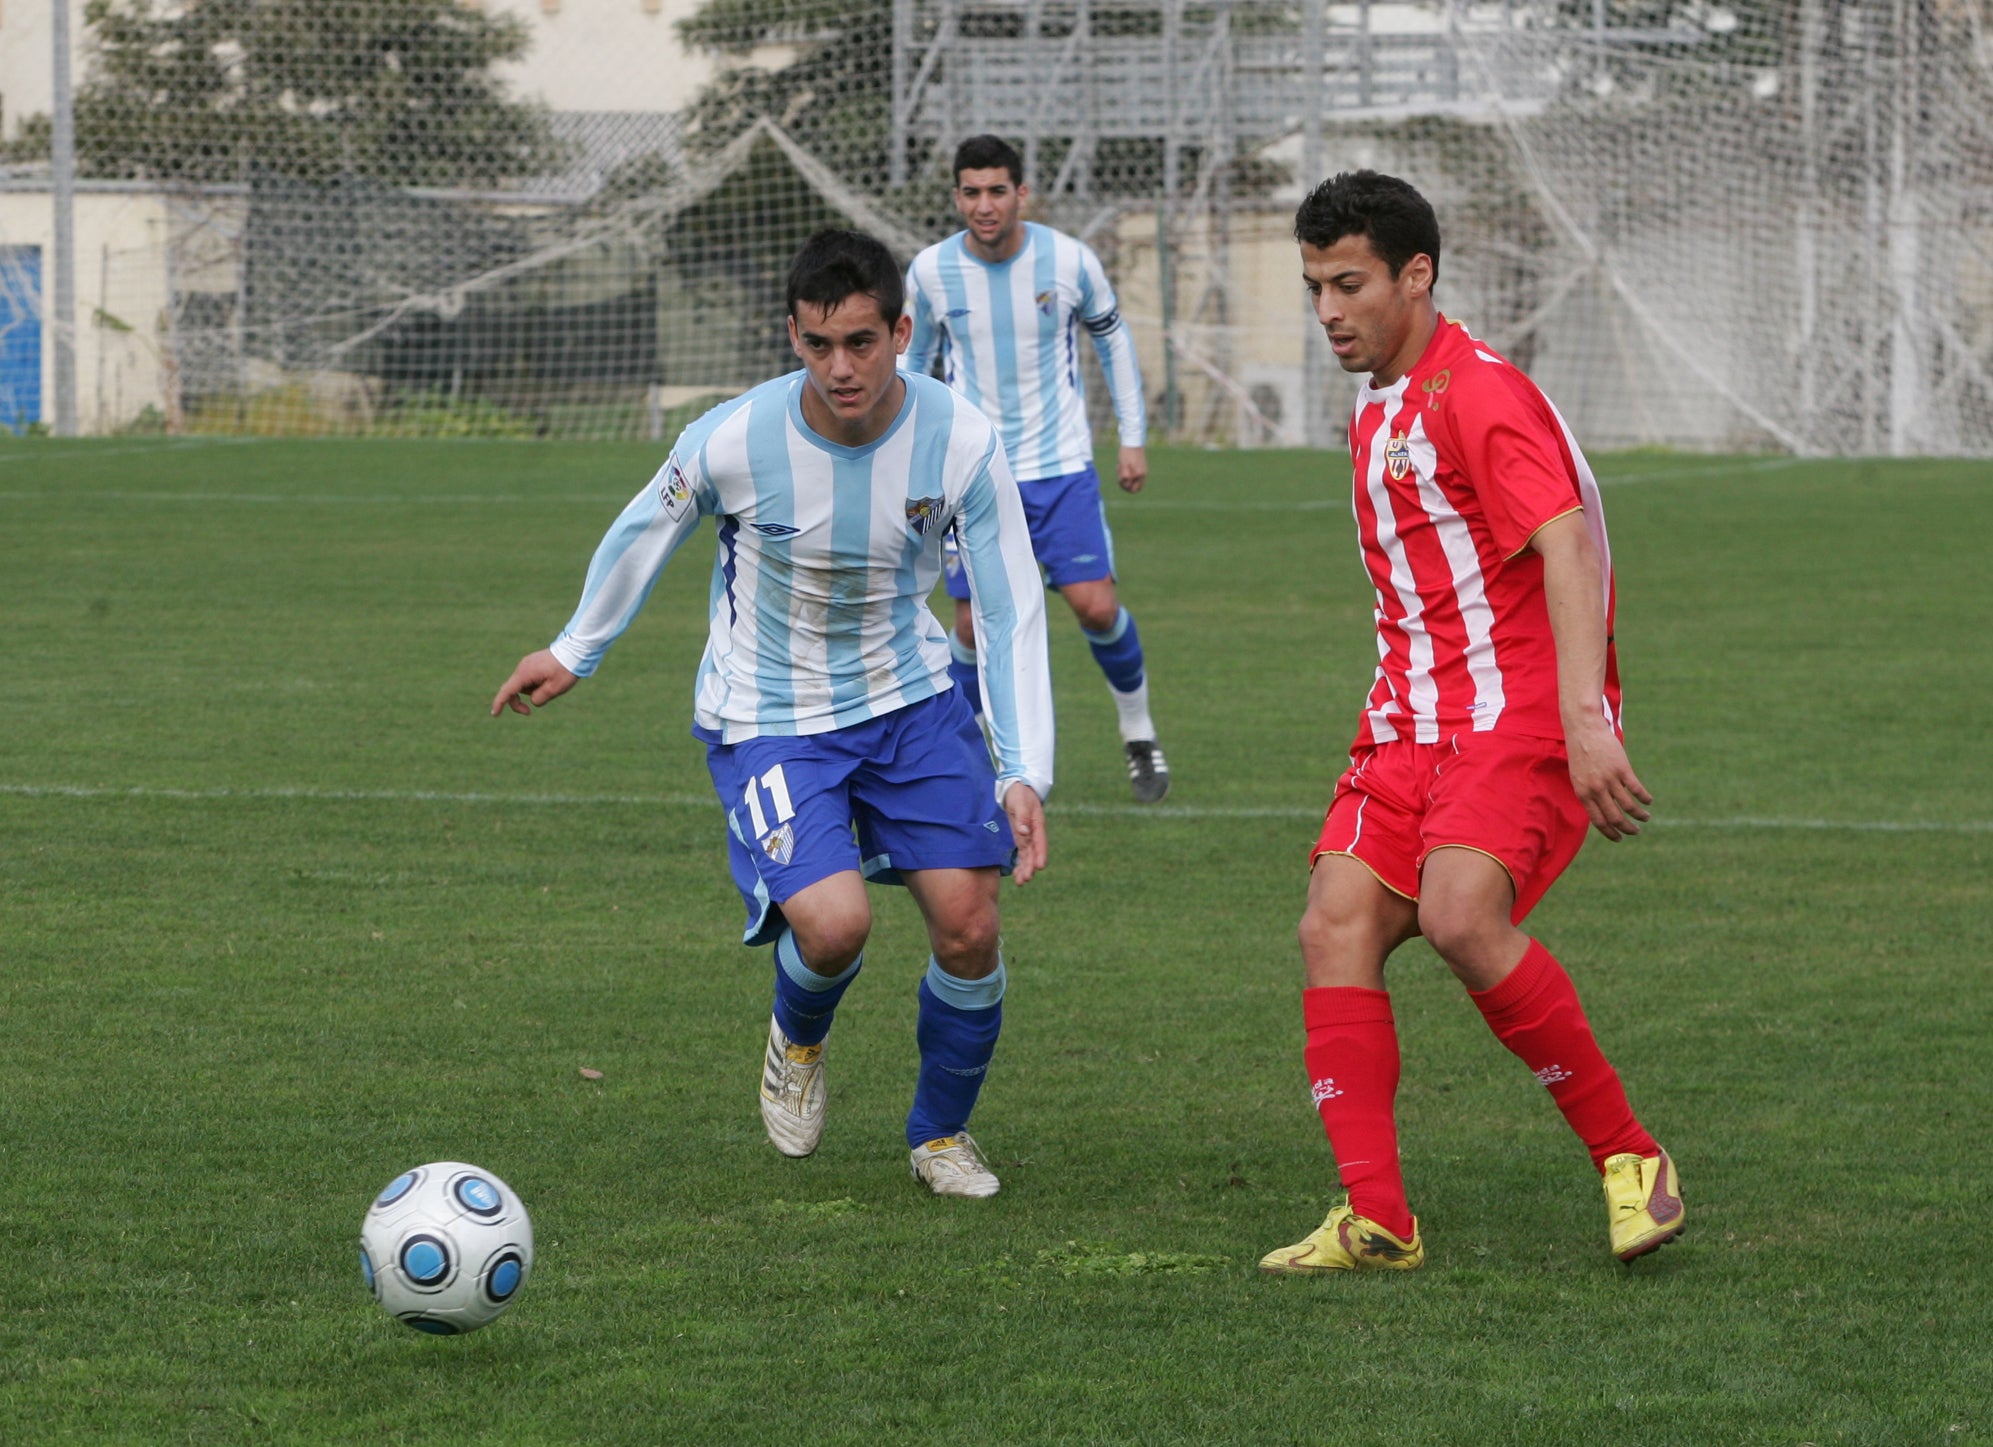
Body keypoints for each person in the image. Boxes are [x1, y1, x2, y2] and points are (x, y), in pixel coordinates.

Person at [489, 230, 1054, 1199]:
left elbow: (1005, 603)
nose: (842, 367)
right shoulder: (733, 437)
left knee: (969, 925)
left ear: (902, 332)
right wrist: (575, 647)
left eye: (863, 343)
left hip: (911, 702)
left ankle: (941, 1135)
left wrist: (1021, 767)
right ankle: (798, 1036)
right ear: (791, 335)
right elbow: (646, 526)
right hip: (770, 711)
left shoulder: (959, 439)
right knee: (832, 928)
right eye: (819, 343)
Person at [1259, 172, 1685, 1273]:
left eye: (1347, 285)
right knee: (1331, 924)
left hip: (1517, 715)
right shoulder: (1376, 400)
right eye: (1312, 288)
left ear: (1416, 274)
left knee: (1457, 914)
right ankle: (1377, 1220)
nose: (1327, 312)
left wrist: (1586, 720)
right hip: (1407, 722)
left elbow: (1566, 544)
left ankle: (1632, 1159)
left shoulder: (1475, 391)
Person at [903, 134, 1171, 803]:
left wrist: (1130, 438)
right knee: (969, 625)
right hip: (973, 476)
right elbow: (914, 368)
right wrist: (907, 456)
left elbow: (1112, 339)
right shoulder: (931, 273)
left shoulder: (1068, 261)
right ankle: (960, 756)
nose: (984, 204)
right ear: (956, 196)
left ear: (1023, 194)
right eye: (971, 192)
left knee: (1095, 605)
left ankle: (1138, 733)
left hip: (1058, 468)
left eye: (998, 190)